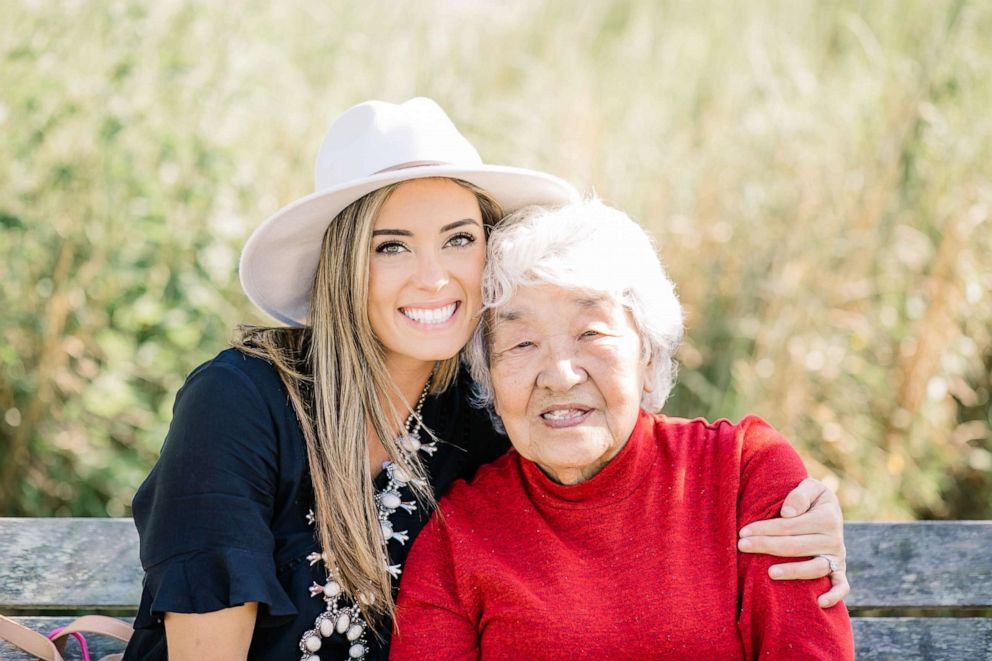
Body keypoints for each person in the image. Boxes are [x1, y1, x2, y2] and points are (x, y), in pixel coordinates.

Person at [123, 99, 849, 661]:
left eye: (459, 239)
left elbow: (621, 450)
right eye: (392, 245)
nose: (433, 274)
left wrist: (794, 506)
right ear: (343, 266)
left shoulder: (477, 418)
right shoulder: (242, 405)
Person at [390, 199, 855, 659]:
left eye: (590, 333)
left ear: (648, 358)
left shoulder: (745, 472)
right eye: (522, 343)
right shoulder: (460, 532)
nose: (561, 374)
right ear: (488, 379)